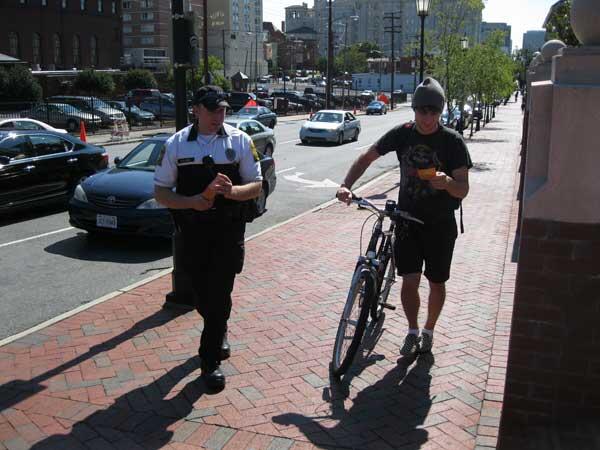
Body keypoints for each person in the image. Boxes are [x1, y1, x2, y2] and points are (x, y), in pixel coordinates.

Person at [337, 77, 472, 356]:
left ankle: (429, 330)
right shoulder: (403, 134)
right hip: (407, 221)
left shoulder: (452, 142)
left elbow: (463, 189)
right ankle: (412, 330)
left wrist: (447, 182)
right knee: (409, 280)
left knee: (436, 282)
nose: (427, 117)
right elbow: (367, 157)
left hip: (439, 225)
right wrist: (346, 185)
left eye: (433, 111)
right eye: (422, 110)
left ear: (441, 111)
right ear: (414, 110)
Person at [154, 85, 262, 390]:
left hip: (228, 232)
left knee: (220, 292)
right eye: (213, 109)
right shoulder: (176, 145)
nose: (220, 115)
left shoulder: (240, 140)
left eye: (223, 109)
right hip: (193, 234)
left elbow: (256, 185)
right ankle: (219, 326)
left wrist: (232, 191)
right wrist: (191, 202)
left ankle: (209, 360)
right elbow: (160, 192)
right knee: (204, 296)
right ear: (196, 110)